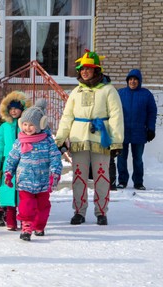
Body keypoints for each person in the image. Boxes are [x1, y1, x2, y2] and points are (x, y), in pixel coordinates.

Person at [55, 50, 123, 226]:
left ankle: (101, 212)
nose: (85, 72)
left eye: (89, 68)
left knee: (102, 177)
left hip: (102, 139)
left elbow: (116, 116)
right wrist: (60, 138)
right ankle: (79, 211)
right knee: (79, 177)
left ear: (96, 70)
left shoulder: (108, 90)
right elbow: (67, 116)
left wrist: (117, 141)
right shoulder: (76, 92)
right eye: (82, 69)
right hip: (79, 139)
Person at [4, 99, 62, 241]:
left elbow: (55, 158)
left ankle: (39, 226)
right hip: (25, 181)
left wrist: (55, 173)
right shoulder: (19, 142)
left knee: (43, 207)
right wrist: (8, 172)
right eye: (25, 124)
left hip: (43, 182)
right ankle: (26, 227)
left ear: (40, 125)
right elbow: (12, 158)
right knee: (26, 205)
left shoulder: (47, 141)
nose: (27, 128)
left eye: (31, 125)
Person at [0, 91, 31, 230]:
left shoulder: (27, 126)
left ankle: (26, 219)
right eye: (11, 108)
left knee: (25, 194)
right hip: (8, 165)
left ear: (23, 109)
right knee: (9, 192)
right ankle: (11, 220)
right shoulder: (4, 127)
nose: (13, 111)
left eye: (16, 108)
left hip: (25, 163)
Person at [116, 68, 158, 190]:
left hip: (139, 132)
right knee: (121, 158)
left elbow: (152, 112)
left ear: (139, 81)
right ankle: (122, 181)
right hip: (122, 132)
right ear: (127, 81)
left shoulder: (146, 94)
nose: (133, 81)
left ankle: (138, 182)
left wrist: (151, 128)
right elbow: (114, 111)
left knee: (138, 159)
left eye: (135, 79)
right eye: (130, 79)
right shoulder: (121, 93)